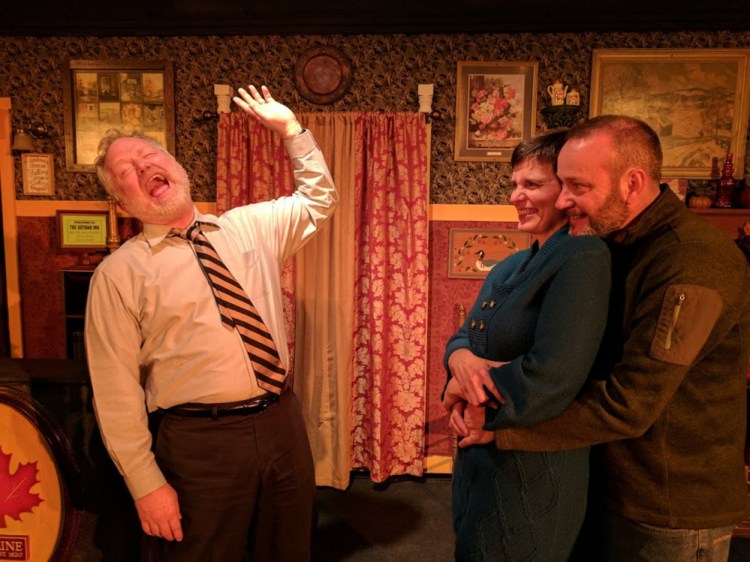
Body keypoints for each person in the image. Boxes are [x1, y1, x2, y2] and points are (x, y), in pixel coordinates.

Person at [457, 115, 750, 562]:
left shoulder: (696, 263)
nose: (567, 198)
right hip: (610, 482)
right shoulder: (614, 241)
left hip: (668, 506)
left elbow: (630, 403)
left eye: (578, 186)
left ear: (632, 183)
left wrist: (497, 427)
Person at [84, 85, 338, 561]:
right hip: (199, 444)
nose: (143, 168)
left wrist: (291, 131)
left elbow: (320, 200)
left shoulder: (249, 226)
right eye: (127, 172)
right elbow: (115, 393)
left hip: (282, 422)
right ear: (123, 204)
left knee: (289, 549)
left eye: (148, 156)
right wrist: (145, 485)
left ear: (177, 167)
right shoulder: (118, 275)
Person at [442, 129, 612, 561]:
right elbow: (463, 335)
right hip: (478, 457)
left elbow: (552, 375)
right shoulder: (512, 263)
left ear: (567, 190)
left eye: (532, 185)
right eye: (515, 184)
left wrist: (470, 391)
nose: (517, 196)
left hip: (533, 467)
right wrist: (460, 363)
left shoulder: (583, 257)